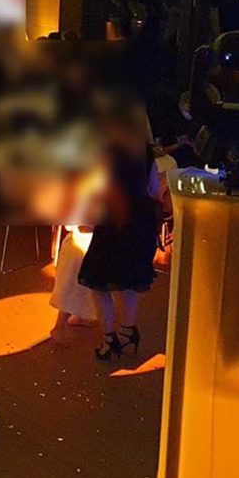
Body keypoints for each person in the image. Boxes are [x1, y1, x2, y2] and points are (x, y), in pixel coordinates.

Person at [78, 105, 162, 359]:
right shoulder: (147, 155)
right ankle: (128, 333)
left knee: (98, 283)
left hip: (113, 225)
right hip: (140, 225)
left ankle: (109, 340)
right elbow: (154, 191)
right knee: (130, 284)